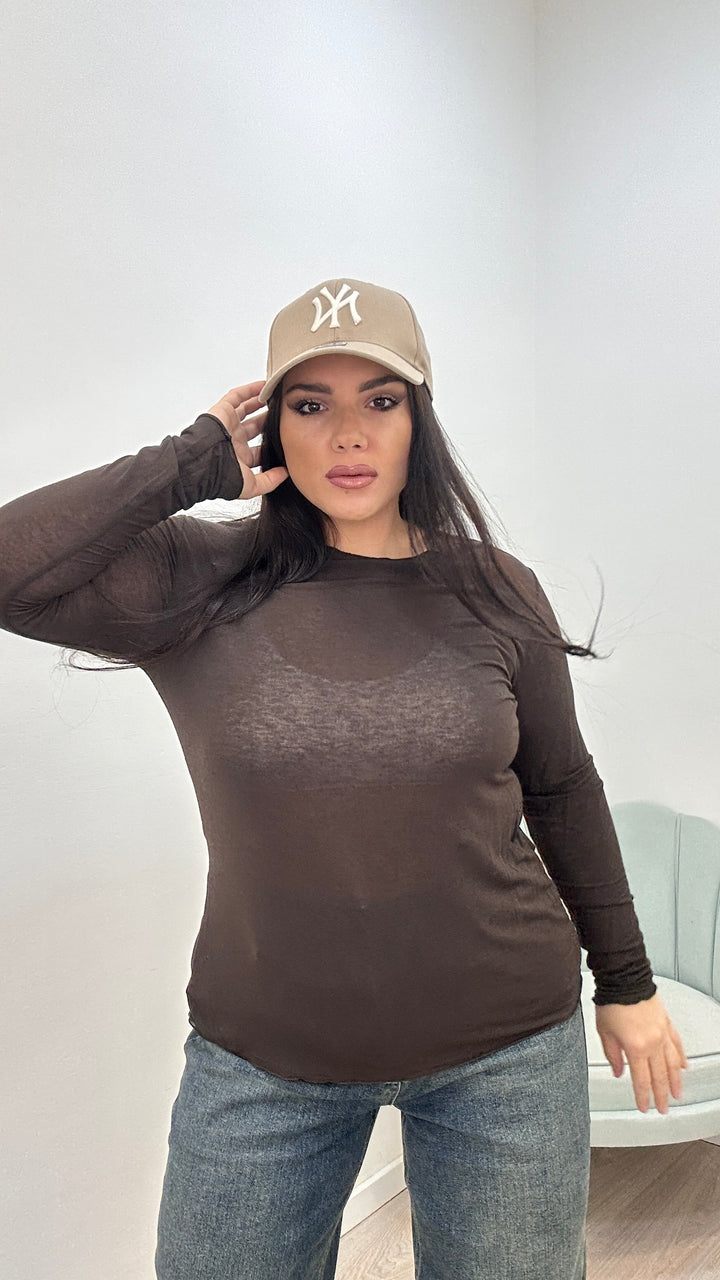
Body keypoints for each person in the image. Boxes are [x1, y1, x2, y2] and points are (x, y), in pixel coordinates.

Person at [0, 277, 688, 1280]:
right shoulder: (200, 579)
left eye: (381, 399)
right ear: (272, 423)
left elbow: (561, 786)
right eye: (311, 404)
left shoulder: (495, 586)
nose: (349, 435)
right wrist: (191, 460)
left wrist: (625, 981)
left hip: (504, 1048)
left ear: (420, 420)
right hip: (262, 1057)